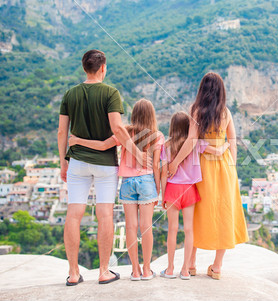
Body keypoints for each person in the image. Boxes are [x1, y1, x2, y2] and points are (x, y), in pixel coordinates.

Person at [58, 49, 148, 286]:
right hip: (106, 164)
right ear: (103, 68)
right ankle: (104, 271)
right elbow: (118, 129)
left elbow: (61, 132)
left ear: (84, 67)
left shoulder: (70, 94)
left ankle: (74, 273)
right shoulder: (111, 93)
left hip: (76, 161)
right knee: (105, 214)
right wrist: (138, 153)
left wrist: (62, 161)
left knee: (74, 214)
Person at [69, 99, 163, 281]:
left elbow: (103, 145)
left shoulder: (126, 132)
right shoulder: (157, 135)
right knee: (146, 227)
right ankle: (146, 270)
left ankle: (135, 271)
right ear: (152, 115)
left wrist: (77, 141)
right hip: (147, 182)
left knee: (130, 227)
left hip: (127, 183)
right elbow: (157, 167)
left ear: (134, 114)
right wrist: (157, 189)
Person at [168, 72, 249, 280]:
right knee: (223, 212)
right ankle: (217, 266)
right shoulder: (226, 112)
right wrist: (232, 166)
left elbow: (192, 140)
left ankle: (192, 263)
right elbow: (232, 141)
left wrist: (176, 162)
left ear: (202, 89)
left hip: (201, 166)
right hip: (224, 167)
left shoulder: (195, 110)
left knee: (197, 212)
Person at [160, 111, 229, 280]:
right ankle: (185, 270)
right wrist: (228, 144)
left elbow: (163, 173)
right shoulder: (196, 144)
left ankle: (170, 269)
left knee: (172, 230)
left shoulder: (166, 146)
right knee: (189, 230)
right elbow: (219, 152)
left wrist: (163, 195)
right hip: (189, 190)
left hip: (172, 190)